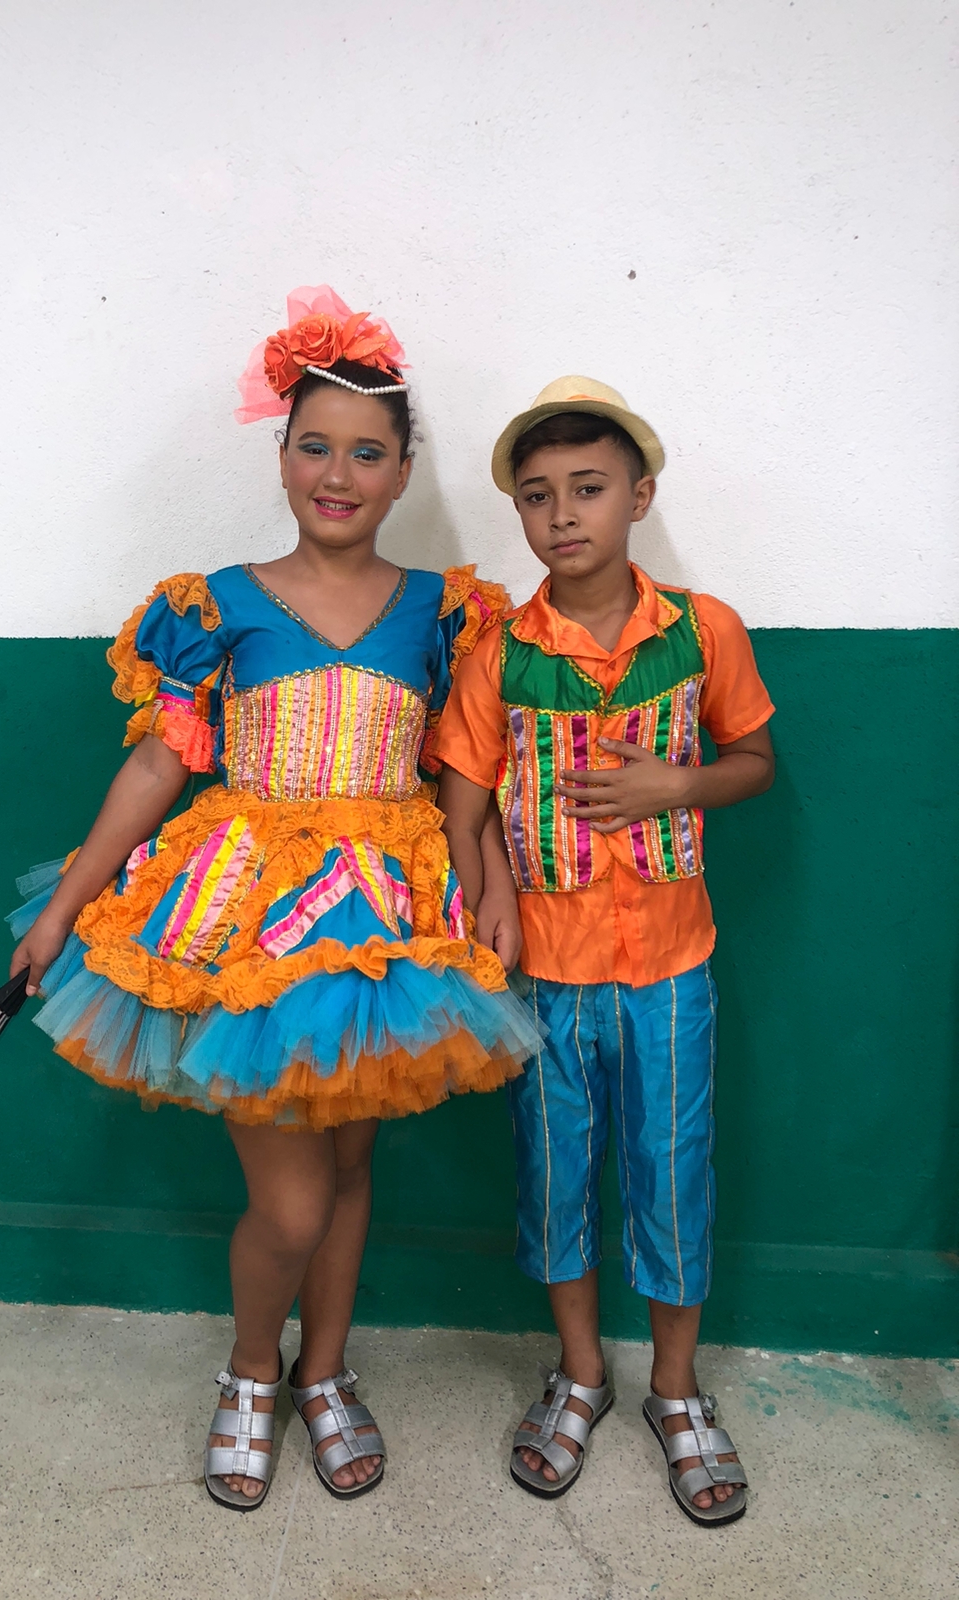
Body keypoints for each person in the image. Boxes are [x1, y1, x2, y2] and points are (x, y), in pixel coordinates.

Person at [7, 288, 542, 1511]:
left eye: (368, 453)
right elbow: (160, 763)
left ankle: (325, 1371)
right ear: (282, 454)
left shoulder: (446, 613)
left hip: (388, 917)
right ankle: (252, 1370)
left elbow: (469, 771)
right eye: (315, 446)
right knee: (291, 1201)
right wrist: (65, 906)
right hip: (256, 915)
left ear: (403, 470)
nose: (338, 475)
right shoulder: (217, 605)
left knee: (350, 1168)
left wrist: (495, 884)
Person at [436, 376, 775, 1527]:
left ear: (640, 496)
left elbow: (754, 761)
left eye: (588, 488)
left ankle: (675, 1387)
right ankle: (580, 1372)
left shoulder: (701, 631)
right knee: (555, 1174)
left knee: (673, 1173)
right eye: (538, 495)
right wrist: (492, 892)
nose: (563, 513)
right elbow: (464, 801)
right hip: (546, 971)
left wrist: (680, 783)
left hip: (672, 968)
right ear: (520, 514)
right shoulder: (498, 654)